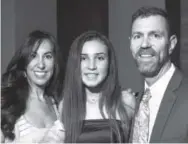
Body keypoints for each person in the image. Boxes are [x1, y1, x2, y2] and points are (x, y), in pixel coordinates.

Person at [54, 30, 136, 143]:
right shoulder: (65, 105)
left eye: (100, 58)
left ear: (109, 63)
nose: (91, 66)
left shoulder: (126, 101)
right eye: (83, 58)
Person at [129, 6, 188, 143]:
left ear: (171, 44)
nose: (144, 44)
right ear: (130, 43)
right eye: (137, 36)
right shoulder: (131, 104)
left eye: (155, 35)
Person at [1, 30, 63, 143]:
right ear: (24, 63)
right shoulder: (7, 103)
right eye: (33, 56)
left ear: (55, 64)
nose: (41, 64)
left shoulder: (58, 104)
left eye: (47, 56)